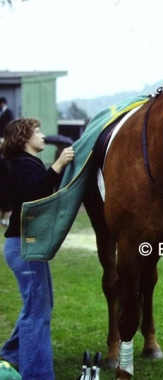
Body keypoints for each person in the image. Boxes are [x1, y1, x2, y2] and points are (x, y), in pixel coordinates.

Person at [0, 118, 75, 379]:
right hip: (25, 246)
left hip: (24, 245)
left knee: (39, 305)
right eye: (37, 132)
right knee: (37, 312)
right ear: (23, 138)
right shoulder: (22, 164)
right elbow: (35, 195)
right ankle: (37, 374)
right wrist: (59, 164)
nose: (42, 135)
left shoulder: (26, 163)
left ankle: (9, 356)